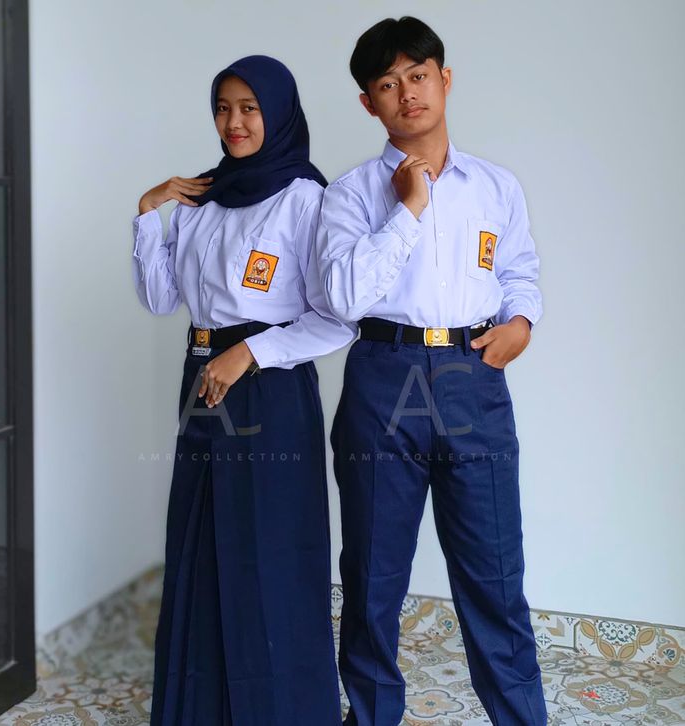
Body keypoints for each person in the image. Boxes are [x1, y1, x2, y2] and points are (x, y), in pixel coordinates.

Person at [315, 16, 547, 726]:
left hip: (472, 376)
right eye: (387, 84)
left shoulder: (495, 187)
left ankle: (521, 718)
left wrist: (521, 322)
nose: (407, 93)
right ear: (369, 103)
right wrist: (409, 209)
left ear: (444, 79)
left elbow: (519, 272)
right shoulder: (352, 194)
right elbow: (343, 297)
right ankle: (372, 716)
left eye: (417, 75)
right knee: (373, 574)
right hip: (383, 376)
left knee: (495, 573)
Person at [132, 54, 355, 725]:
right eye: (223, 108)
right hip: (202, 383)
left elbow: (336, 317)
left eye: (250, 108)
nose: (234, 122)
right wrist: (148, 214)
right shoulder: (201, 198)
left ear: (278, 113)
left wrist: (250, 352)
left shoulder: (305, 198)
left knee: (268, 547)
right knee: (200, 542)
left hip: (268, 390)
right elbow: (160, 298)